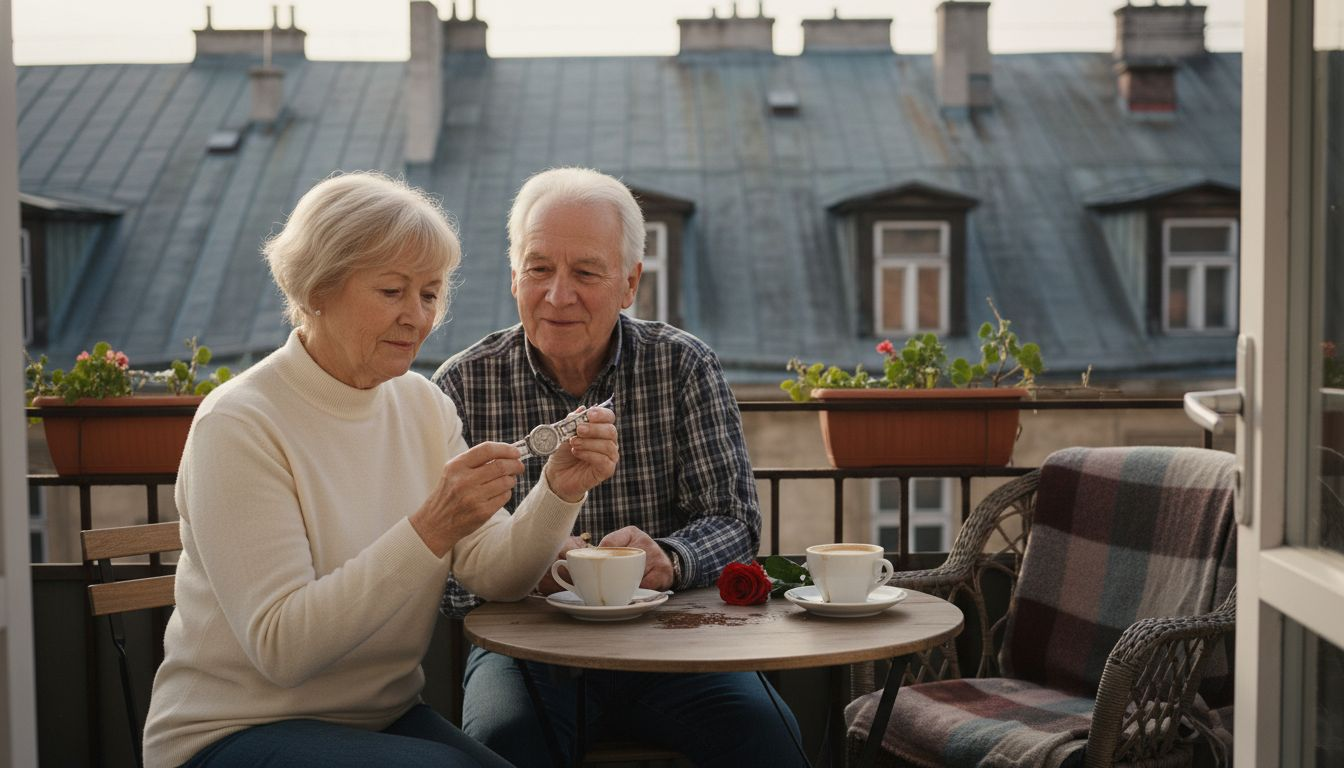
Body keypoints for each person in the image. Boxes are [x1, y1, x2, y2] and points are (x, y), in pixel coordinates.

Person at [141, 172, 619, 768]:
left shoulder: (422, 404)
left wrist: (557, 492)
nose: (416, 318)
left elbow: (497, 574)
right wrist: (430, 529)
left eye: (429, 293)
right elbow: (282, 648)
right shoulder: (239, 423)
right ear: (317, 288)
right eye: (392, 291)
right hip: (230, 731)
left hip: (381, 718)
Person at [433, 167, 805, 767]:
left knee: (769, 735)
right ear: (512, 276)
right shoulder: (462, 385)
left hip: (674, 638)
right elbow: (444, 567)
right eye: (538, 268)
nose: (558, 295)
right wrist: (526, 566)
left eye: (585, 272)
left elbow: (734, 519)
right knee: (502, 742)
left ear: (630, 282)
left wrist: (667, 558)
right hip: (528, 647)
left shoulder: (683, 366)